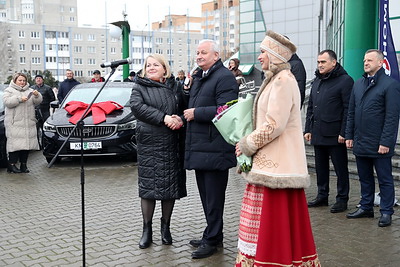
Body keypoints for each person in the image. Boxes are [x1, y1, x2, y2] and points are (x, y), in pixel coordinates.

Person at [235, 30, 320, 266]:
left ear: (275, 55)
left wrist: (246, 144)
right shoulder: (275, 79)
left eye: (263, 52)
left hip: (277, 168)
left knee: (271, 227)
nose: (259, 57)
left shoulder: (283, 81)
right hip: (272, 166)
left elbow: (274, 125)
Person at [183, 39, 239, 259]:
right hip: (201, 147)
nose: (198, 56)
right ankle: (212, 234)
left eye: (203, 52)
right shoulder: (200, 77)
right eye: (197, 52)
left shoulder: (224, 77)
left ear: (216, 55)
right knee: (207, 198)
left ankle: (212, 240)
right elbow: (190, 105)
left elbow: (227, 108)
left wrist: (197, 113)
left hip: (215, 147)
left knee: (214, 198)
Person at [130, 54, 187, 249]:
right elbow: (137, 107)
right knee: (148, 188)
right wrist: (164, 118)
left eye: (156, 64)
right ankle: (147, 229)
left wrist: (178, 119)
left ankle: (166, 227)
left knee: (168, 187)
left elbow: (184, 107)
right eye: (148, 65)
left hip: (170, 142)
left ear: (165, 68)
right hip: (149, 143)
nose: (151, 67)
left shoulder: (175, 86)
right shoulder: (139, 86)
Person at [345, 49, 400, 227]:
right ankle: (366, 207)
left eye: (369, 60)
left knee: (384, 179)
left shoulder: (390, 85)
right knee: (365, 178)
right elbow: (351, 113)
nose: (365, 63)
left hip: (379, 144)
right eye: (364, 60)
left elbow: (392, 117)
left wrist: (386, 142)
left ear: (380, 63)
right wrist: (349, 135)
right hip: (361, 141)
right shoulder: (358, 84)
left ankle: (386, 211)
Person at [304, 49, 353, 213]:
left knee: (340, 169)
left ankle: (342, 199)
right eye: (318, 62)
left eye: (323, 62)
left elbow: (348, 109)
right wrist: (308, 129)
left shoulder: (345, 81)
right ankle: (322, 196)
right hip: (318, 133)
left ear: (334, 62)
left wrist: (344, 132)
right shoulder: (317, 81)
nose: (320, 65)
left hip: (335, 135)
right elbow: (311, 107)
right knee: (320, 168)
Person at [3, 73, 43, 173]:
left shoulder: (29, 90)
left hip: (28, 122)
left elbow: (37, 101)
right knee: (15, 146)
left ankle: (23, 165)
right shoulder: (9, 90)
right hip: (15, 123)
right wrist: (19, 99)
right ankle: (11, 165)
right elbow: (7, 102)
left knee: (26, 146)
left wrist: (37, 95)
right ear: (15, 80)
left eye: (24, 80)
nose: (22, 82)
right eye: (20, 80)